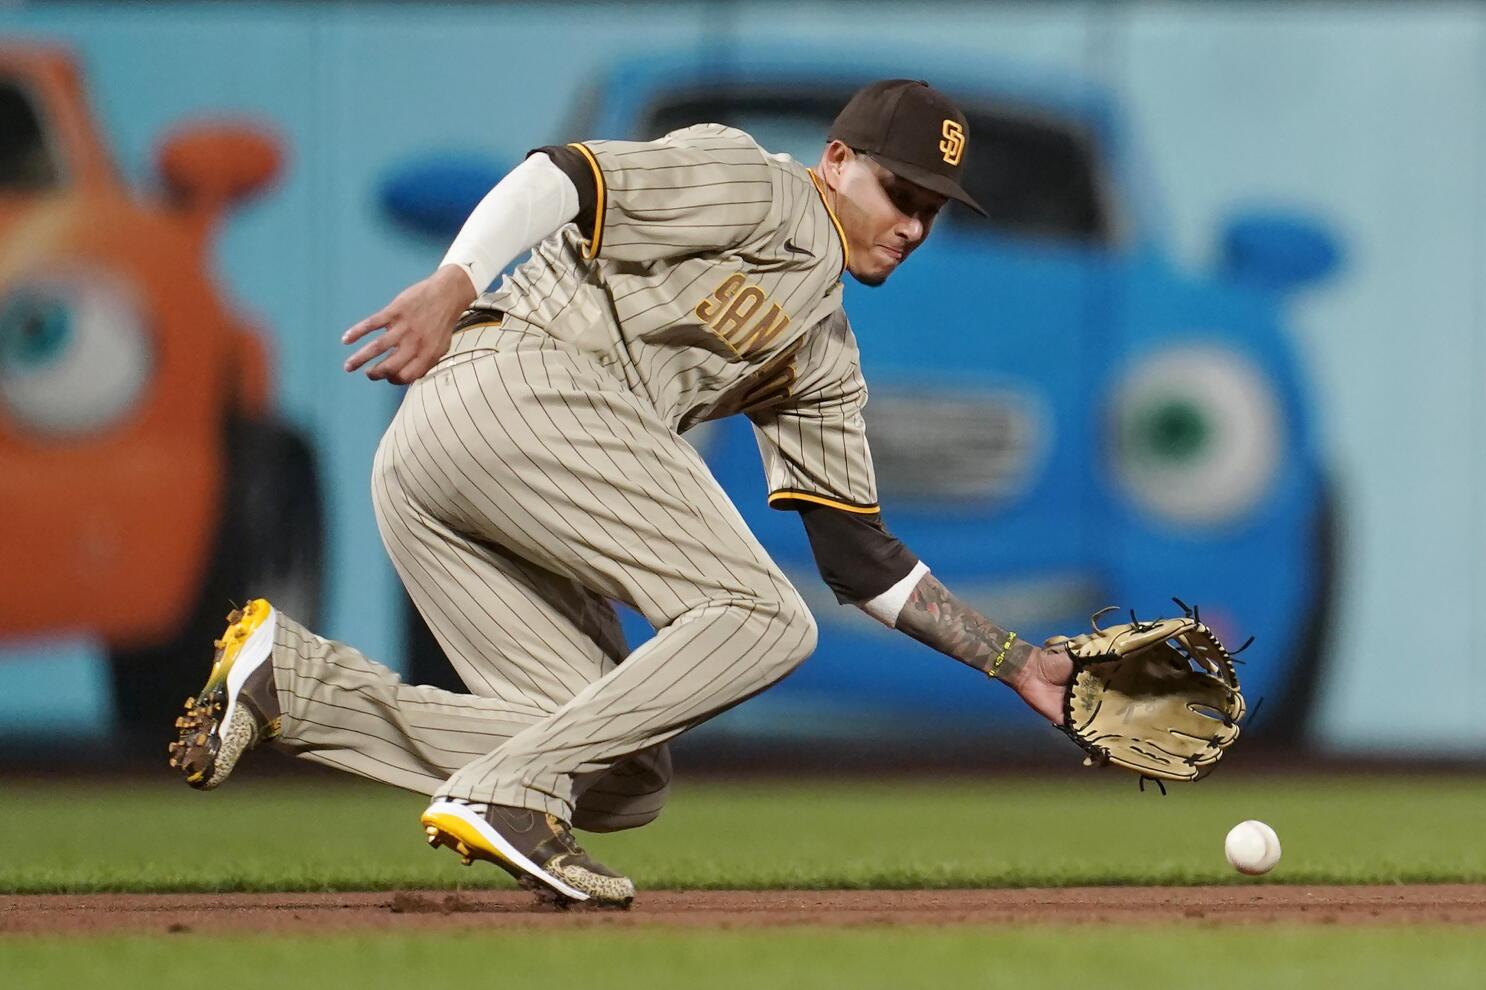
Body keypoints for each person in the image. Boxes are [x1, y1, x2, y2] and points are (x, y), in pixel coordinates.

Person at [169, 79, 1074, 909]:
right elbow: (562, 176)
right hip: (515, 382)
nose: (914, 225)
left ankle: (292, 687)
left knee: (620, 774)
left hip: (463, 465)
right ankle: (506, 793)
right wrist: (455, 279)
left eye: (932, 210)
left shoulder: (824, 353)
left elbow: (856, 555)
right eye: (900, 194)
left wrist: (1017, 664)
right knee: (765, 616)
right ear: (836, 161)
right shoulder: (763, 187)